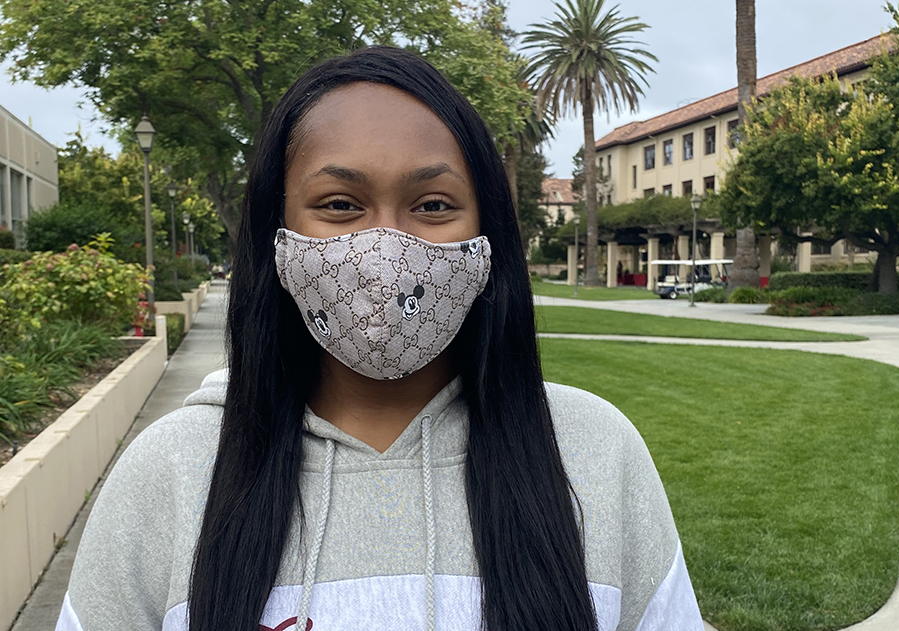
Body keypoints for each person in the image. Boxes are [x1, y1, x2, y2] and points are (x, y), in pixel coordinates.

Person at [56, 47, 702, 631]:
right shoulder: (169, 472)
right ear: (277, 236)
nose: (386, 249)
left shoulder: (594, 454)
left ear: (488, 240)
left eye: (432, 205)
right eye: (340, 204)